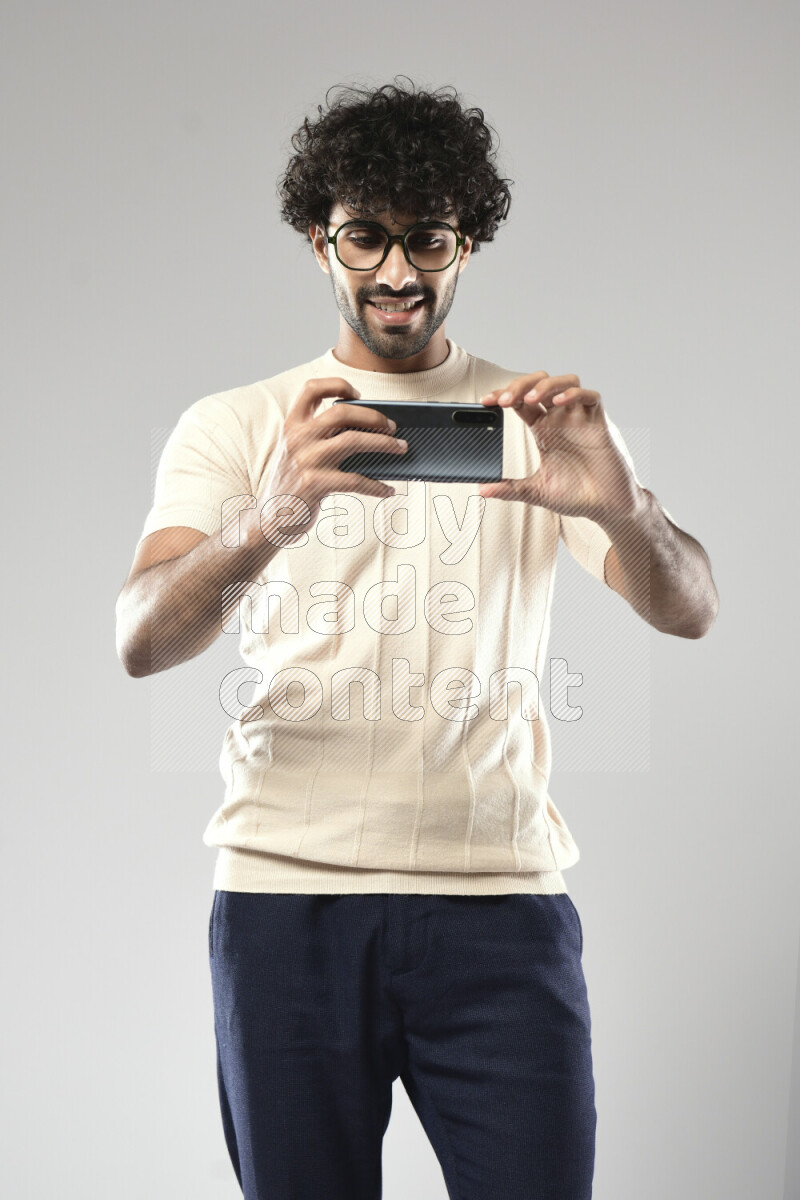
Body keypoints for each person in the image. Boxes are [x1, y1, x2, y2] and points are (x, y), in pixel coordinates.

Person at [116, 77, 719, 1200]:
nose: (395, 272)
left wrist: (620, 506)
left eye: (425, 239)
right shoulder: (241, 424)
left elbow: (688, 608)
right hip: (283, 909)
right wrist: (272, 514)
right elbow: (142, 638)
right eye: (364, 237)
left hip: (500, 908)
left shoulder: (534, 425)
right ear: (318, 241)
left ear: (466, 243)